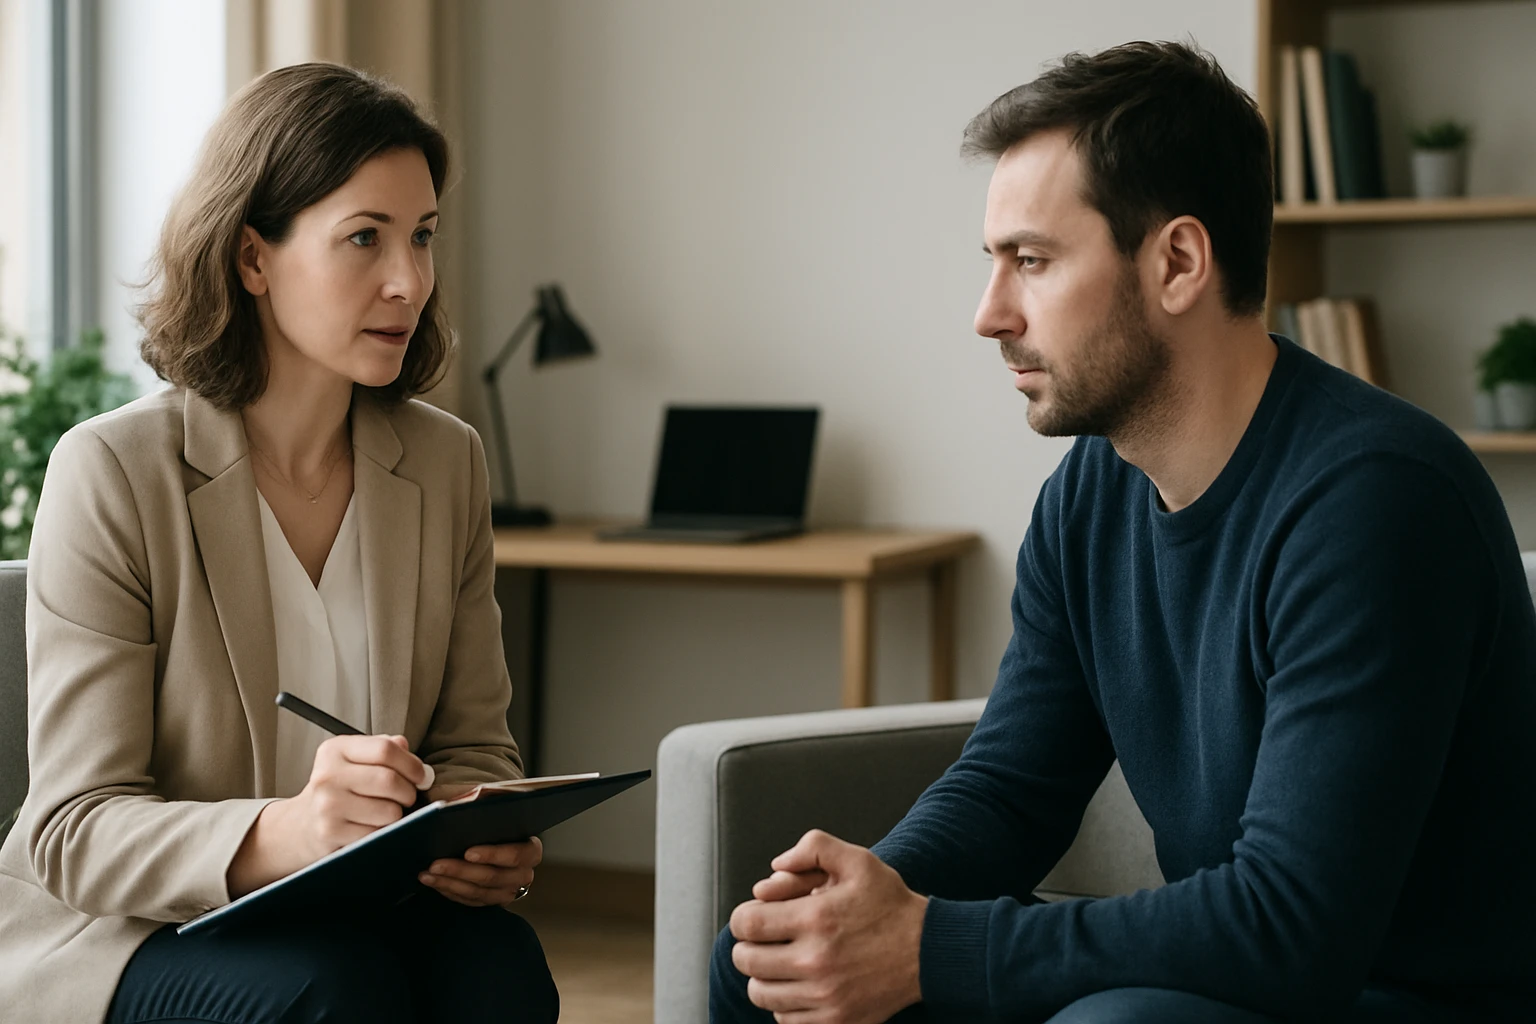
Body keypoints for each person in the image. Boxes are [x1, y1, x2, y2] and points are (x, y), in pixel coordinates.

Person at [711, 40, 1536, 1024]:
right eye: (993, 263)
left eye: (1032, 261)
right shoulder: (1089, 497)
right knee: (759, 968)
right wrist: (859, 911)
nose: (989, 314)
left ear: (1177, 262)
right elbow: (1012, 789)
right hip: (1242, 980)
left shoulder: (1376, 503)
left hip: (1403, 995)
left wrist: (927, 948)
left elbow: (1293, 925)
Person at [0, 63, 559, 1023]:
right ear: (253, 259)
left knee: (498, 969)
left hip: (362, 906)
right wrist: (286, 832)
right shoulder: (113, 471)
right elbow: (74, 829)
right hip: (134, 930)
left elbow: (474, 747)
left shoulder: (445, 463)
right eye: (365, 237)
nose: (409, 281)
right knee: (329, 990)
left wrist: (485, 835)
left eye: (423, 236)